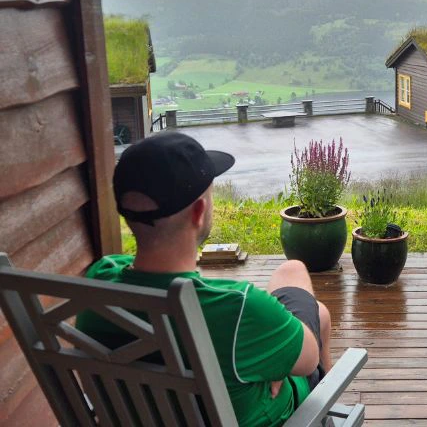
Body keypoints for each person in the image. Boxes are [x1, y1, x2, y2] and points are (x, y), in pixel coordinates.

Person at [76, 132, 332, 427]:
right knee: (301, 284)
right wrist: (272, 363)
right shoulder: (238, 308)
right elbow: (308, 360)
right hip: (272, 413)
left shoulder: (98, 281)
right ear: (199, 212)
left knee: (299, 284)